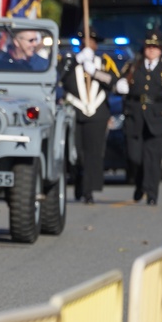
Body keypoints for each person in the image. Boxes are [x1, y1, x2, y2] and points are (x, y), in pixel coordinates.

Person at [115, 32, 162, 205]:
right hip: (135, 116)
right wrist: (120, 86)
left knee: (153, 158)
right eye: (149, 46)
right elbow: (121, 86)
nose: (152, 50)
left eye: (155, 46)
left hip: (158, 117)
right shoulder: (133, 66)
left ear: (160, 49)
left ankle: (152, 194)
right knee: (134, 157)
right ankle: (140, 185)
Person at [63, 30, 119, 204]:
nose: (88, 44)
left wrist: (95, 72)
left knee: (93, 154)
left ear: (96, 45)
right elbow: (59, 78)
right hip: (76, 112)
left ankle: (89, 191)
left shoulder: (104, 62)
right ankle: (79, 182)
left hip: (97, 113)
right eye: (85, 40)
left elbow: (115, 83)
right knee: (76, 154)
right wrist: (77, 61)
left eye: (92, 41)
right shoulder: (70, 60)